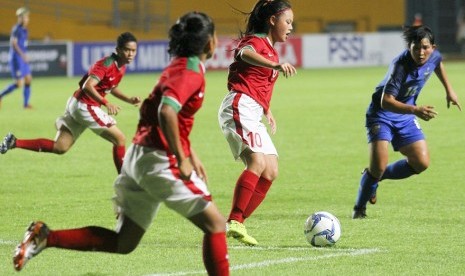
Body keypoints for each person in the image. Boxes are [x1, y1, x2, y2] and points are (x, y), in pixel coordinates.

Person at [13, 12, 229, 275]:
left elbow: (154, 112)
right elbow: (166, 113)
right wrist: (182, 158)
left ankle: (45, 236)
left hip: (139, 158)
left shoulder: (178, 66)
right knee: (216, 224)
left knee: (124, 242)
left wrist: (190, 152)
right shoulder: (191, 72)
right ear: (210, 42)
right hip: (159, 161)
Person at [352, 25, 461, 219]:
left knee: (421, 162)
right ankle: (359, 209)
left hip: (406, 115)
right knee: (377, 165)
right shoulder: (400, 66)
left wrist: (449, 90)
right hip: (382, 115)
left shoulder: (433, 56)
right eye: (415, 47)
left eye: (425, 48)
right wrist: (415, 110)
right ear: (408, 47)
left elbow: (438, 64)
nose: (421, 53)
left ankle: (376, 178)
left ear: (432, 47)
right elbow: (386, 101)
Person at [0, 32, 141, 174]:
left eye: (133, 50)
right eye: (127, 50)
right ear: (118, 50)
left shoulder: (121, 66)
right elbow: (88, 85)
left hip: (78, 104)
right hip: (85, 105)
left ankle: (14, 142)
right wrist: (106, 102)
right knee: (120, 139)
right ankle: (125, 183)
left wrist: (128, 99)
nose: (130, 54)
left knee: (60, 147)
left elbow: (111, 86)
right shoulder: (106, 64)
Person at [218, 0, 296, 246]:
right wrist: (274, 65)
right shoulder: (256, 42)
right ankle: (234, 221)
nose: (291, 27)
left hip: (254, 110)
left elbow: (258, 84)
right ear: (272, 20)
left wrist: (267, 109)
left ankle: (235, 222)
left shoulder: (272, 49)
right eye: (288, 21)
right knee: (257, 161)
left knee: (270, 170)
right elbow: (243, 54)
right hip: (238, 106)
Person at [0, 7, 33, 109]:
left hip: (22, 58)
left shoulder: (25, 30)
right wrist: (23, 56)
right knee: (19, 84)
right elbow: (13, 44)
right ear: (20, 18)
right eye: (25, 17)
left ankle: (26, 104)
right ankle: (0, 95)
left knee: (28, 79)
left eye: (27, 17)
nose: (27, 19)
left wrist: (25, 54)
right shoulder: (16, 29)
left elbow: (22, 45)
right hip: (16, 58)